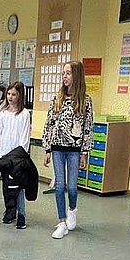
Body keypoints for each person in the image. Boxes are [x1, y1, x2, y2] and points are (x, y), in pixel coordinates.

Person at [42, 60, 93, 239]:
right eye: (63, 73)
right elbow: (49, 124)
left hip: (74, 149)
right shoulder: (57, 99)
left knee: (72, 187)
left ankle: (72, 209)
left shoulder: (86, 101)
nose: (65, 76)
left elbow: (88, 127)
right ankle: (61, 221)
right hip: (57, 147)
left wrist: (85, 152)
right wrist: (47, 149)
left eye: (68, 73)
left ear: (76, 76)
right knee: (59, 185)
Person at [0, 80, 31, 228]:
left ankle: (21, 215)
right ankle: (9, 211)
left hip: (18, 158)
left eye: (14, 94)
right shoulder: (2, 113)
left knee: (18, 186)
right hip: (4, 156)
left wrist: (19, 155)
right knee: (7, 185)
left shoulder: (24, 114)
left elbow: (24, 138)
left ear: (20, 96)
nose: (10, 97)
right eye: (9, 94)